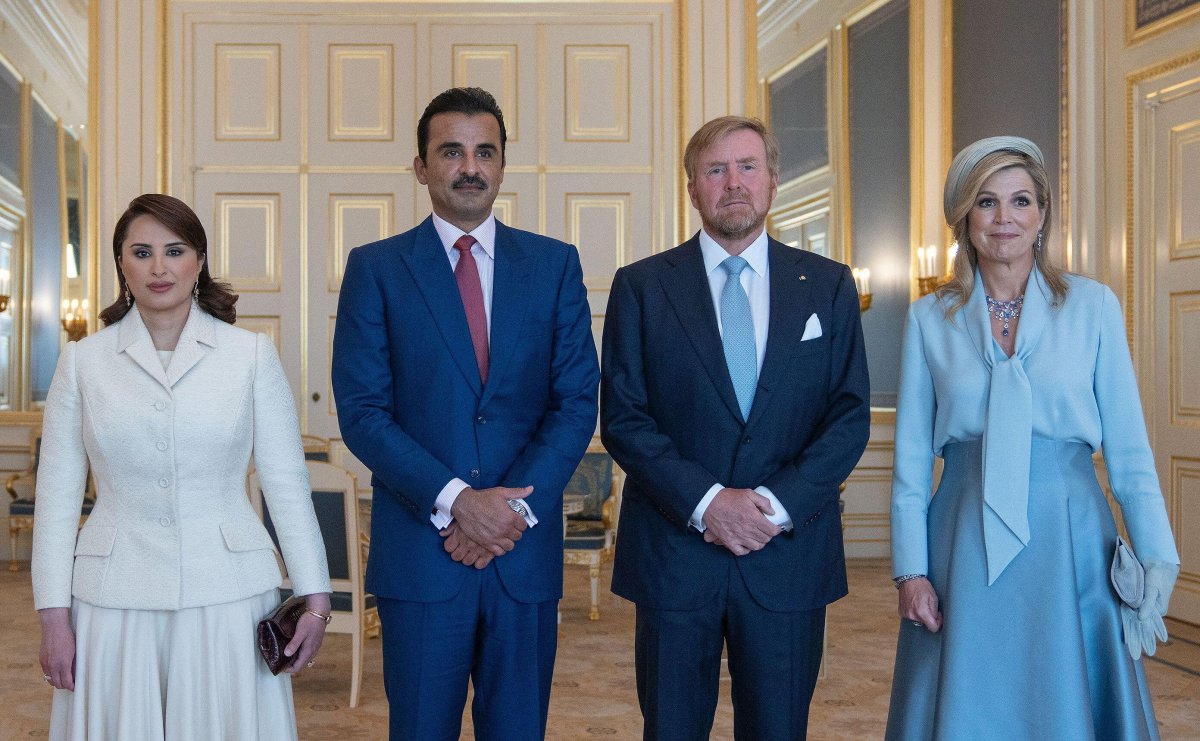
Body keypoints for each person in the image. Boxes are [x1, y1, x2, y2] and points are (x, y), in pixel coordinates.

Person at [886, 136, 1180, 739]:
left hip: (1071, 536)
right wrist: (910, 571)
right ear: (964, 219)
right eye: (987, 203)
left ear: (1042, 214)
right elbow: (912, 465)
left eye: (1021, 201)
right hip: (962, 540)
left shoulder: (1093, 306)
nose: (1005, 219)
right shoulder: (927, 319)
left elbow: (1128, 451)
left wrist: (1155, 554)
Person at [332, 86, 599, 740]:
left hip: (523, 554)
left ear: (504, 164)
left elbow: (575, 401)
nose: (469, 166)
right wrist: (458, 500)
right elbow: (363, 413)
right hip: (422, 559)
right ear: (421, 166)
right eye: (451, 151)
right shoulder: (376, 269)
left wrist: (509, 510)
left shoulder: (555, 266)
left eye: (485, 151)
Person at [600, 115, 870, 740]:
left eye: (748, 167)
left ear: (774, 181)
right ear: (692, 188)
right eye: (715, 170)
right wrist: (707, 503)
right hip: (674, 553)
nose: (733, 183)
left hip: (788, 556)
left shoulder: (827, 286)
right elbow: (623, 417)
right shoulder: (641, 287)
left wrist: (772, 506)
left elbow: (848, 415)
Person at [32, 193, 332, 739]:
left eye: (175, 250)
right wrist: (52, 614)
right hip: (112, 596)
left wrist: (316, 597)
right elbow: (56, 497)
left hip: (229, 592)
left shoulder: (250, 355)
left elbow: (287, 483)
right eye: (141, 252)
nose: (159, 267)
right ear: (121, 263)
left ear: (199, 259)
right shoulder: (83, 361)